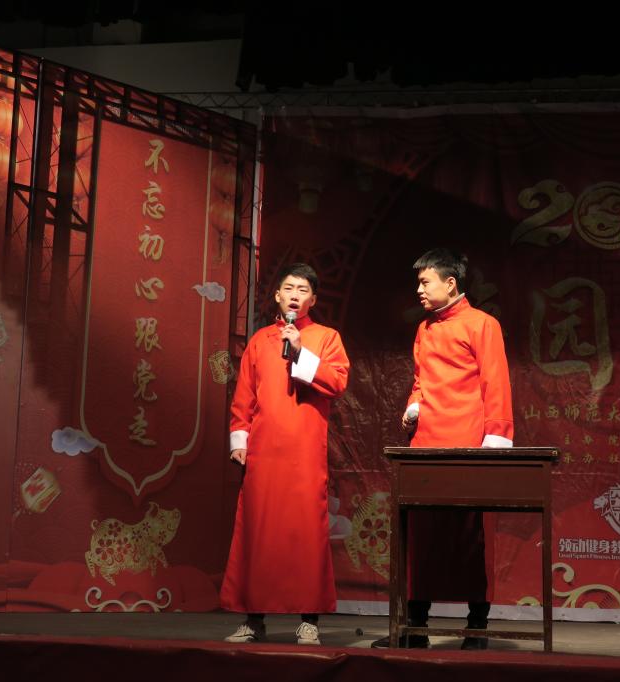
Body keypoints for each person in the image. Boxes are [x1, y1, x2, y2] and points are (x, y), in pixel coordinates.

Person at [374, 248, 514, 650]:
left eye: (425, 282)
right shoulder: (424, 328)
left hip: (467, 439)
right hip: (426, 441)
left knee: (470, 533)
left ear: (450, 284)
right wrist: (413, 405)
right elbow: (421, 380)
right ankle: (416, 626)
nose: (418, 290)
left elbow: (495, 382)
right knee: (422, 533)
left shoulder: (482, 324)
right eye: (418, 283)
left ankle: (477, 627)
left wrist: (496, 437)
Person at [220, 263, 350, 646]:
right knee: (258, 531)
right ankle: (253, 619)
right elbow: (244, 395)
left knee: (306, 533)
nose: (295, 295)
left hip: (305, 451)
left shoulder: (326, 337)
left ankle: (309, 620)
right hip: (263, 451)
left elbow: (338, 381)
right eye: (289, 288)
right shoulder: (260, 340)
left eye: (303, 289)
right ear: (277, 295)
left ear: (313, 299)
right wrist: (239, 439)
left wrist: (300, 352)